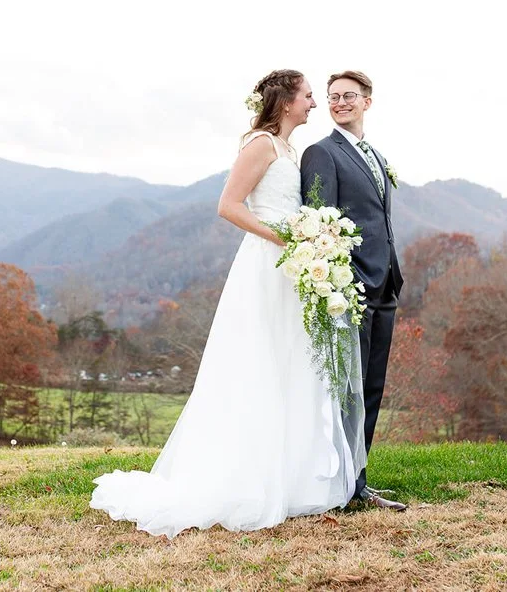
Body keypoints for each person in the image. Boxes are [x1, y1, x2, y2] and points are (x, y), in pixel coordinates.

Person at [89, 69, 366, 538]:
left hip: (292, 267)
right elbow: (229, 205)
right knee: (257, 364)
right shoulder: (259, 144)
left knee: (292, 365)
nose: (314, 103)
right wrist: (284, 236)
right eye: (308, 96)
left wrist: (308, 239)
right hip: (265, 265)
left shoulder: (290, 148)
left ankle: (294, 478)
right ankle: (241, 478)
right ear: (285, 101)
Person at [300, 70, 407, 512]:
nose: (339, 102)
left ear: (368, 101)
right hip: (350, 289)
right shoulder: (321, 153)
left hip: (386, 284)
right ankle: (338, 485)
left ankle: (359, 482)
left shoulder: (375, 156)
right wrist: (337, 283)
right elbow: (317, 222)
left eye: (348, 96)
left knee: (373, 386)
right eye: (331, 97)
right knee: (347, 391)